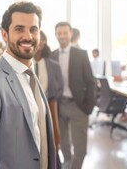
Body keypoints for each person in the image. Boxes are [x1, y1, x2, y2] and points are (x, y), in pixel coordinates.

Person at [0, 1, 57, 169]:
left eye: (33, 29)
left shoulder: (31, 76)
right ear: (4, 35)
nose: (28, 36)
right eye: (19, 29)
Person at [51, 22, 96, 169]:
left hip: (78, 105)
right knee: (63, 142)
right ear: (56, 35)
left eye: (65, 33)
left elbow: (91, 81)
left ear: (71, 34)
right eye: (59, 33)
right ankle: (67, 164)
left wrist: (88, 107)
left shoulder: (81, 54)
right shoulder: (52, 55)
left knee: (80, 147)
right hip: (59, 106)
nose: (62, 36)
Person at [34, 30, 63, 164]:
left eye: (42, 39)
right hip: (29, 110)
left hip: (48, 110)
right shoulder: (23, 64)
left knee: (48, 147)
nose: (38, 41)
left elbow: (58, 90)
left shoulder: (53, 65)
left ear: (44, 42)